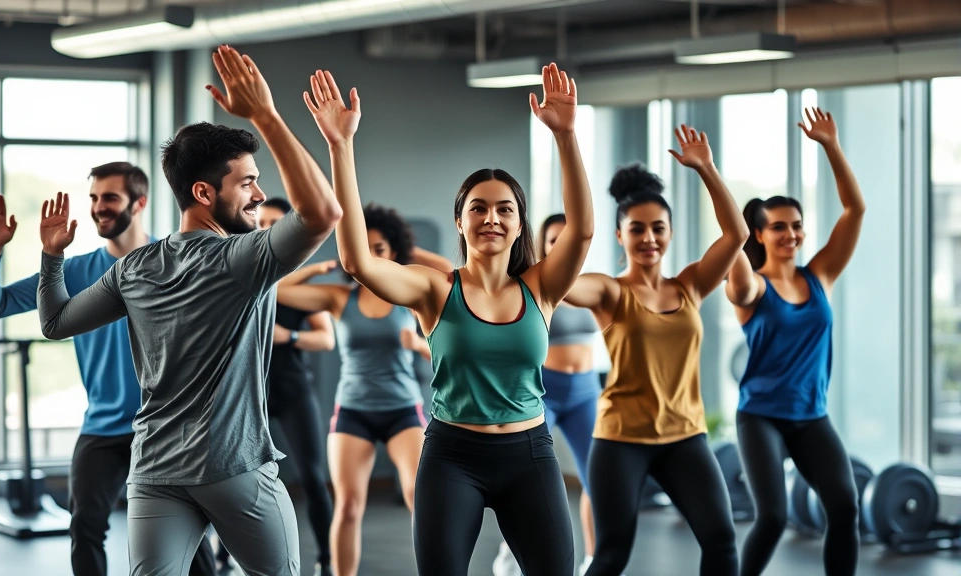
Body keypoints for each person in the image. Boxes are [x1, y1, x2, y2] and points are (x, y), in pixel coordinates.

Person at [35, 45, 342, 576]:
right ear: (203, 192)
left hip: (154, 471)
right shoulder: (242, 259)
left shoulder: (135, 266)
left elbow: (54, 322)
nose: (258, 193)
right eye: (247, 182)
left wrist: (51, 256)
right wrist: (265, 115)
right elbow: (324, 212)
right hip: (235, 469)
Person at [302, 63, 593, 575]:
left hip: (530, 454)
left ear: (519, 222)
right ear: (459, 220)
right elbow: (357, 263)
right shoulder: (435, 290)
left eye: (504, 209)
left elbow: (583, 232)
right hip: (453, 454)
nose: (491, 218)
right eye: (477, 209)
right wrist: (340, 147)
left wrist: (566, 138)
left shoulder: (542, 288)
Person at [0, 163, 216, 576]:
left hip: (166, 428)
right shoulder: (76, 270)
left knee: (190, 544)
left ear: (139, 203)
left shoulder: (173, 260)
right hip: (103, 426)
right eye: (93, 198)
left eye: (110, 198)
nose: (98, 207)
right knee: (84, 527)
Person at [567, 129, 749, 576]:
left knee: (722, 541)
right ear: (619, 235)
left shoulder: (689, 286)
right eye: (637, 229)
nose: (649, 238)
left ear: (669, 232)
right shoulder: (610, 291)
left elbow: (737, 233)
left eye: (658, 228)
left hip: (684, 437)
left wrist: (706, 169)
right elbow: (565, 285)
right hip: (620, 441)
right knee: (612, 554)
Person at [274, 202, 452, 576]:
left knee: (418, 498)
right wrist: (319, 268)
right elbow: (277, 290)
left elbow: (452, 275)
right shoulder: (341, 297)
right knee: (349, 505)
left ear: (394, 252)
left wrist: (406, 254)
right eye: (364, 248)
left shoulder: (410, 294)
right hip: (353, 410)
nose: (371, 257)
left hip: (403, 409)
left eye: (380, 249)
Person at [726, 107, 864, 576]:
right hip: (761, 415)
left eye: (796, 225)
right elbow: (735, 259)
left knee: (845, 507)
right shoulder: (752, 288)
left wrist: (830, 145)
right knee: (773, 517)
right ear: (760, 234)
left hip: (811, 415)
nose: (791, 234)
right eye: (779, 226)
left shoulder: (819, 274)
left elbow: (854, 210)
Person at [214, 196, 337, 576]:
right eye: (261, 220)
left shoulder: (298, 288)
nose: (265, 227)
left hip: (292, 388)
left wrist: (289, 336)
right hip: (248, 392)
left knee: (314, 477)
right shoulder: (240, 276)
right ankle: (222, 556)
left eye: (275, 223)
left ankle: (328, 560)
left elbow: (326, 340)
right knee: (232, 473)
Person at [492, 213, 601, 576]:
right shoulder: (535, 287)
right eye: (553, 240)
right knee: (525, 480)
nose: (561, 246)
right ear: (541, 245)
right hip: (544, 393)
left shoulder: (594, 286)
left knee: (597, 480)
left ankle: (594, 560)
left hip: (586, 391)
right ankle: (510, 558)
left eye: (566, 238)